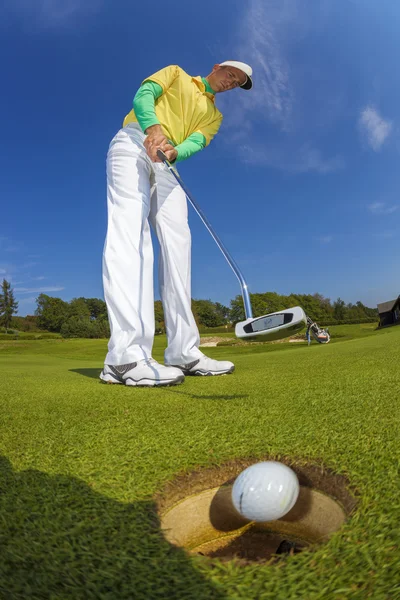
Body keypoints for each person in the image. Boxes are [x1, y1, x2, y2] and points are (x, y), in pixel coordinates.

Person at [100, 61, 253, 387]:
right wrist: (153, 128)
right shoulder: (177, 74)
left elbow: (197, 142)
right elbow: (144, 95)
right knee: (131, 234)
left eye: (237, 83)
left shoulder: (216, 117)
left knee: (178, 246)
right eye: (231, 75)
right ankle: (124, 357)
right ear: (218, 67)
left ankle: (183, 351)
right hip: (134, 142)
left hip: (167, 164)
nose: (231, 83)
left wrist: (174, 152)